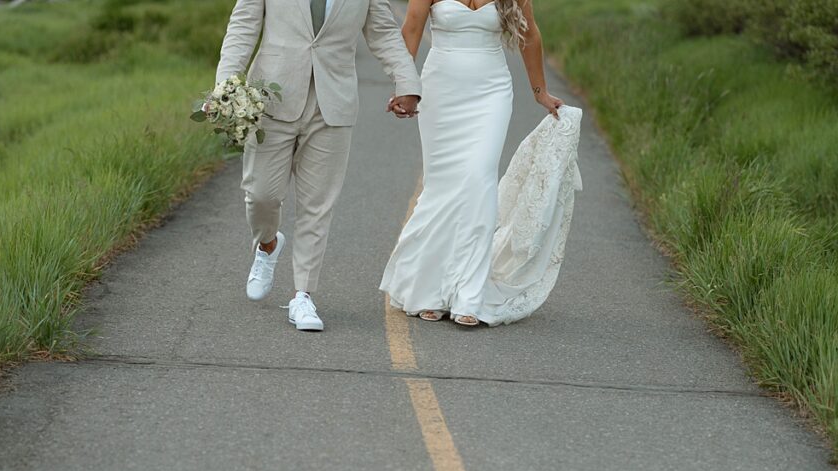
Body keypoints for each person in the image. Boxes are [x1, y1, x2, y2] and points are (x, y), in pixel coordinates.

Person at [216, 0, 421, 331]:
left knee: (318, 204)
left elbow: (383, 32)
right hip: (271, 99)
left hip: (333, 103)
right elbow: (243, 25)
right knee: (261, 194)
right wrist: (226, 83)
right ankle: (267, 244)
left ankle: (303, 295)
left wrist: (407, 83)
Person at [380, 0, 582, 327]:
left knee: (480, 180)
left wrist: (540, 92)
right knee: (442, 186)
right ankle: (431, 289)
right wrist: (405, 87)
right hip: (440, 92)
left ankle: (468, 295)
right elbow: (412, 28)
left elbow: (530, 35)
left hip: (491, 93)